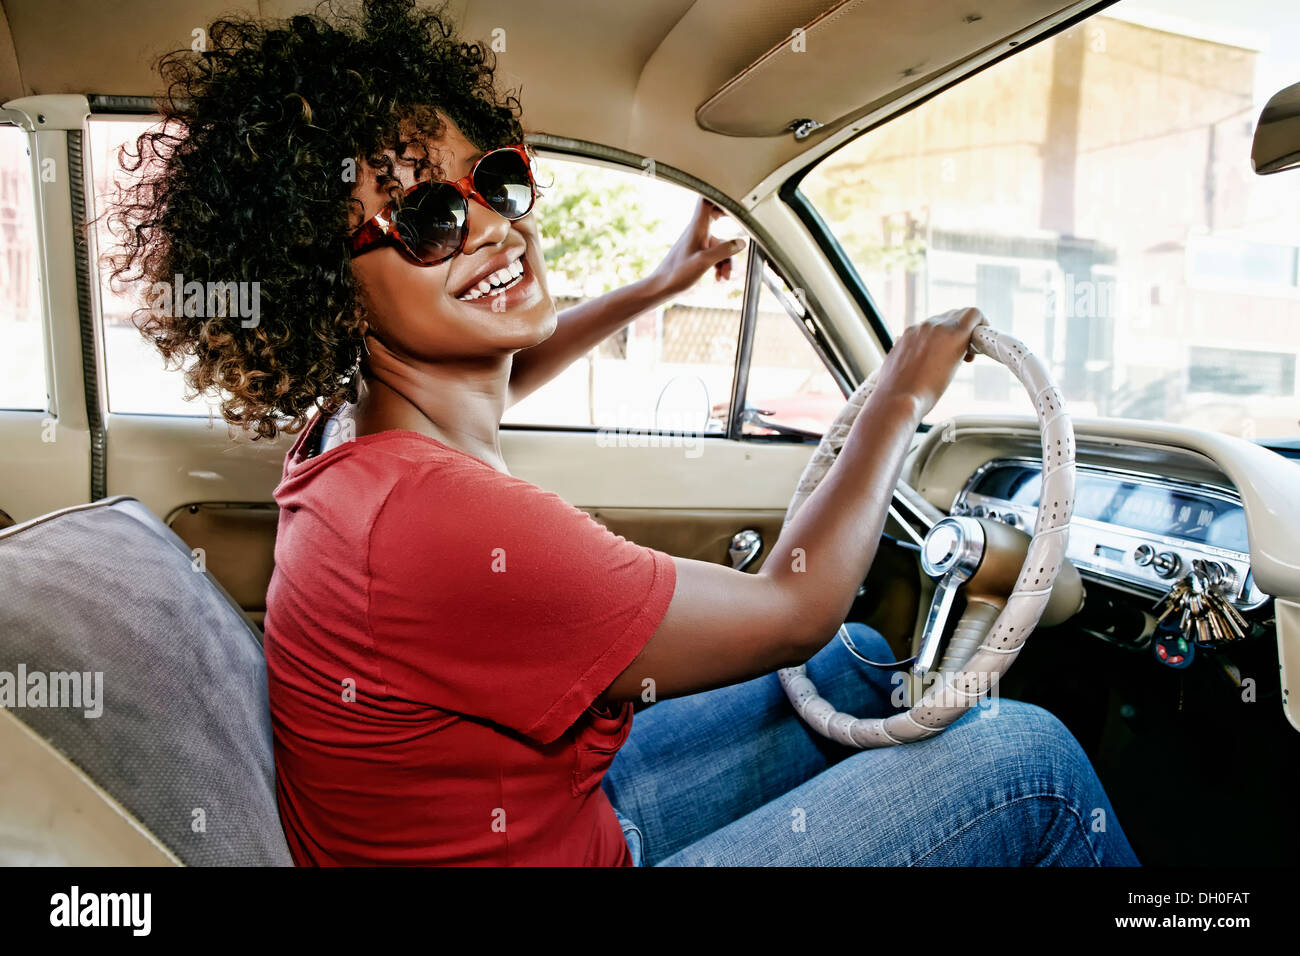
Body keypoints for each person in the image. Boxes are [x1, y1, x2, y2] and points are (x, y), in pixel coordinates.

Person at [106, 0, 1138, 866]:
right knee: (1027, 761)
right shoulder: (438, 524)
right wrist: (895, 396)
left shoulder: (354, 436)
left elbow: (501, 369)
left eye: (495, 181)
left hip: (547, 823)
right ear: (329, 289)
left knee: (857, 664)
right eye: (428, 220)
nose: (495, 228)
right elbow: (792, 606)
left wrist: (655, 285)